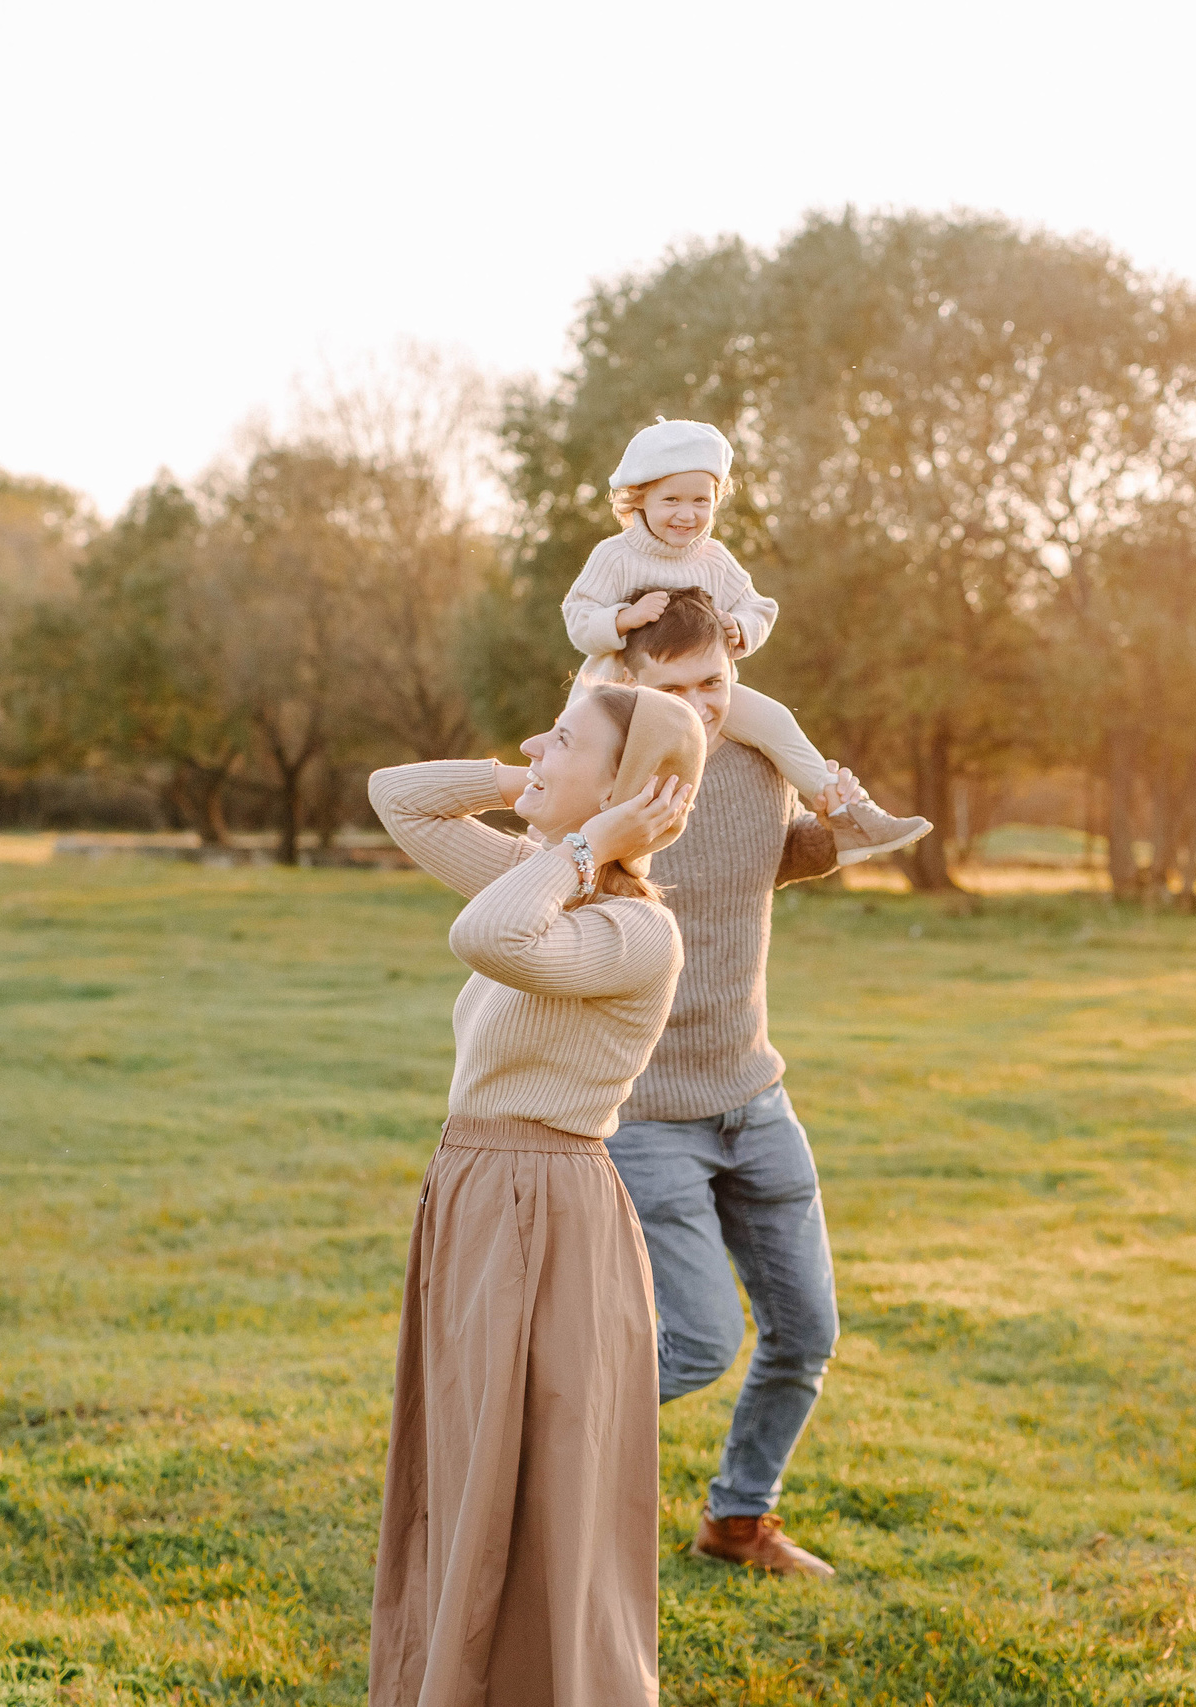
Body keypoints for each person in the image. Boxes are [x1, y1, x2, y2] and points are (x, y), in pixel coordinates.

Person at [365, 683, 704, 1707]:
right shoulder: (545, 878)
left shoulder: (635, 930)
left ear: (628, 787)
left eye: (559, 739)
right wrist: (541, 788)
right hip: (475, 1192)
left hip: (541, 1207)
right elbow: (398, 797)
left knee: (540, 1485)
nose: (528, 746)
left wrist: (588, 834)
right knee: (469, 1463)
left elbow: (487, 942)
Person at [601, 588, 854, 1579]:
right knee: (700, 1343)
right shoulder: (608, 780)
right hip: (651, 1112)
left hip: (754, 1092)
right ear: (630, 684)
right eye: (676, 688)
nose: (702, 705)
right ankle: (520, 1447)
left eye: (716, 681)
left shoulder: (758, 763)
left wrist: (840, 826)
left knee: (804, 1332)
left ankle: (738, 1522)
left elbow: (758, 868)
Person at [561, 416, 932, 866]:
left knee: (776, 720)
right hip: (620, 693)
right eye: (671, 499)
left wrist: (741, 628)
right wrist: (623, 618)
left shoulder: (714, 559)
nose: (686, 513)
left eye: (701, 500)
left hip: (706, 689)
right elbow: (578, 618)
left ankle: (848, 813)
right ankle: (554, 843)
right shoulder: (615, 556)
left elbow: (760, 607)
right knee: (583, 756)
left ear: (716, 501)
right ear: (639, 499)